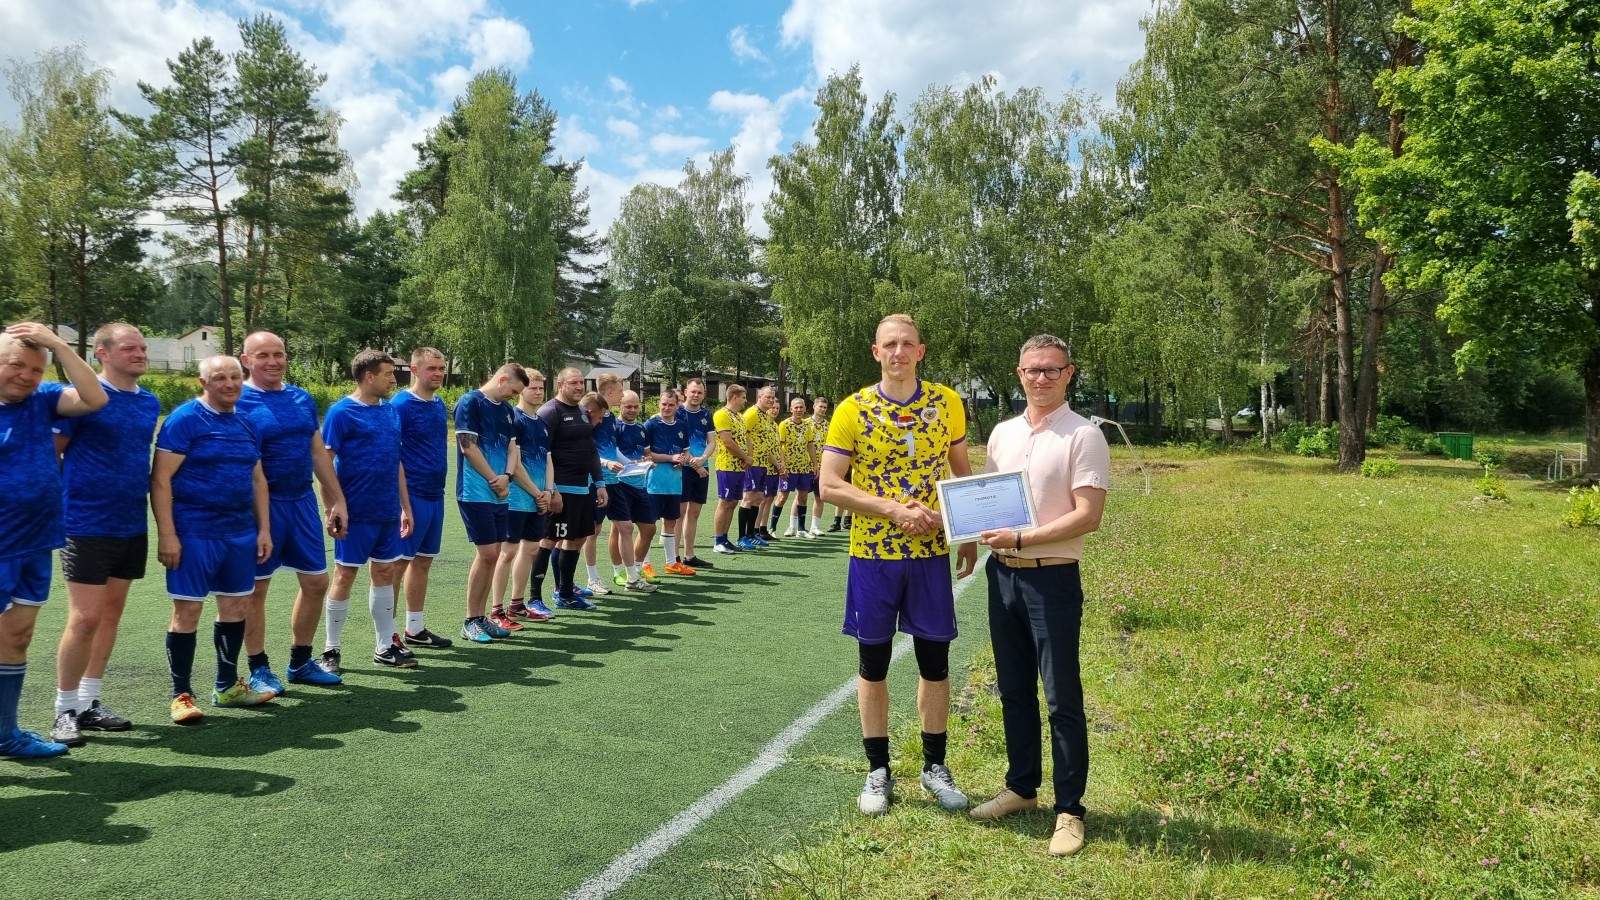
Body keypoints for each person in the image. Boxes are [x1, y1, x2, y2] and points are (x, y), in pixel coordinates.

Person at [818, 313, 977, 816]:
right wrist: (892, 509)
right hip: (873, 555)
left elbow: (961, 473)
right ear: (876, 352)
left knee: (935, 662)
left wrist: (964, 530)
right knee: (874, 663)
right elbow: (829, 485)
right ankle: (877, 770)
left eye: (908, 343)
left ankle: (934, 766)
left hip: (930, 554)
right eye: (890, 344)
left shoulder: (947, 402)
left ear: (921, 351)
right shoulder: (853, 409)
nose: (899, 352)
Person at [966, 334, 1109, 858]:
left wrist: (1023, 539)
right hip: (1002, 576)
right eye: (1033, 370)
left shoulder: (1084, 436)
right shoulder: (1002, 433)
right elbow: (986, 501)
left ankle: (1069, 810)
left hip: (1052, 579)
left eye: (1052, 369)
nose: (1041, 378)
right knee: (1013, 689)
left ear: (1069, 374)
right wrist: (967, 530)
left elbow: (1088, 515)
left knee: (1061, 697)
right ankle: (1022, 787)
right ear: (1019, 373)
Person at [49, 324, 159, 747]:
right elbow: (52, 456)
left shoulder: (148, 402)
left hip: (130, 523)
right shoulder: (80, 399)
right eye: (130, 348)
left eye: (143, 347)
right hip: (85, 523)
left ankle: (89, 703)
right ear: (103, 353)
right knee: (85, 618)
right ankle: (64, 710)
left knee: (110, 615)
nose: (140, 353)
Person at [1, 324, 107, 759]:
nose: (27, 376)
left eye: (36, 369)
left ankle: (5, 735)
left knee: (17, 637)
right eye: (17, 365)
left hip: (35, 541)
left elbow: (95, 398)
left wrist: (59, 346)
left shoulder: (42, 400)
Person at [152, 355, 274, 723]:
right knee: (188, 611)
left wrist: (264, 529)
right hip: (194, 532)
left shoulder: (247, 423)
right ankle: (181, 695)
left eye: (235, 376)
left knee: (236, 607)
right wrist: (167, 534)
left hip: (239, 532)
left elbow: (257, 480)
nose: (230, 384)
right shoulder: (184, 420)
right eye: (220, 377)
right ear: (203, 382)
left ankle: (227, 687)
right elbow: (160, 480)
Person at [235, 331, 348, 693]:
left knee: (316, 583)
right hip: (258, 507)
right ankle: (258, 668)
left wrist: (337, 499)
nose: (273, 361)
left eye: (279, 354)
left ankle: (300, 662)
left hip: (301, 503)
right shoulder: (237, 400)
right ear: (246, 360)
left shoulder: (301, 398)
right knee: (256, 589)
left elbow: (317, 453)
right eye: (263, 355)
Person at [319, 351, 416, 672]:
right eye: (388, 374)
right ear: (368, 376)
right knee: (345, 574)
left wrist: (405, 507)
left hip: (387, 511)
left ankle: (385, 647)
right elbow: (324, 466)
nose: (394, 380)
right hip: (355, 513)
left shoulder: (390, 411)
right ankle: (331, 650)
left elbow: (396, 462)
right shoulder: (341, 412)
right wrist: (332, 508)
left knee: (385, 573)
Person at [454, 363, 528, 642]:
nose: (513, 396)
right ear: (502, 378)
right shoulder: (470, 402)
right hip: (475, 491)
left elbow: (512, 448)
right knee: (486, 554)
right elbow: (467, 446)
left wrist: (506, 477)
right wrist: (494, 479)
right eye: (513, 390)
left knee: (494, 555)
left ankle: (480, 617)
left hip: (500, 491)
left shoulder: (507, 410)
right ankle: (469, 621)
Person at [392, 348, 455, 650]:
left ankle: (414, 628)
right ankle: (388, 635)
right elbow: (391, 453)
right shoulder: (400, 404)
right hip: (411, 495)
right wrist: (402, 503)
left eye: (441, 368)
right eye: (432, 368)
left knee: (423, 562)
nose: (438, 374)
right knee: (397, 565)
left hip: (435, 493)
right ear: (414, 370)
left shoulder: (439, 403)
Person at [538, 367, 608, 610]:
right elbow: (541, 454)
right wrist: (553, 489)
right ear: (560, 384)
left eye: (581, 382)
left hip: (582, 489)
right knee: (549, 540)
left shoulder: (582, 412)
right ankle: (535, 598)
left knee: (577, 539)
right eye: (573, 383)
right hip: (560, 490)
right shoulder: (549, 412)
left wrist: (600, 483)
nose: (579, 387)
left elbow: (591, 450)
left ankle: (566, 593)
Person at [497, 368, 558, 622]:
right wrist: (537, 493)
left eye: (541, 388)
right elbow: (516, 463)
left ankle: (517, 604)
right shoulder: (514, 418)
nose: (538, 392)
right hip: (517, 498)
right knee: (507, 552)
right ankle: (496, 610)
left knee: (531, 548)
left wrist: (549, 491)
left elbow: (548, 460)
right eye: (533, 387)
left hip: (538, 498)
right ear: (521, 389)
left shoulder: (542, 423)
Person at [607, 390, 659, 593]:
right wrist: (631, 463)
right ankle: (618, 571)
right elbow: (611, 452)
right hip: (620, 483)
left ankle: (636, 570)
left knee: (649, 528)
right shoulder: (613, 426)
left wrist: (647, 461)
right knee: (619, 529)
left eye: (636, 406)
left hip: (640, 484)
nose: (632, 410)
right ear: (620, 405)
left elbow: (646, 453)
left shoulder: (641, 428)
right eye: (628, 406)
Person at [643, 388, 694, 577]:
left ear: (677, 406)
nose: (666, 407)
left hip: (674, 483)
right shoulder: (650, 424)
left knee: (671, 522)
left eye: (671, 405)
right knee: (648, 525)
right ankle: (644, 564)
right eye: (664, 404)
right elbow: (646, 454)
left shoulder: (681, 425)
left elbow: (686, 451)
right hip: (654, 483)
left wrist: (683, 459)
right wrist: (670, 458)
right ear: (659, 403)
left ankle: (671, 563)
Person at [587, 373, 626, 593]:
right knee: (593, 530)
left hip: (613, 480)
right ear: (610, 392)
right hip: (595, 480)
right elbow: (587, 448)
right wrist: (605, 463)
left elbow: (613, 447)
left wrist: (631, 463)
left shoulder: (610, 417)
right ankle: (592, 578)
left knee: (625, 526)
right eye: (620, 391)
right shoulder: (591, 415)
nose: (622, 395)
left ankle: (629, 574)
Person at [675, 377, 716, 568]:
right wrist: (695, 463)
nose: (696, 395)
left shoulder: (706, 414)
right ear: (685, 392)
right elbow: (679, 443)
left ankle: (689, 555)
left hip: (702, 467)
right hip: (683, 468)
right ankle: (673, 556)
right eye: (693, 391)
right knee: (679, 513)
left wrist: (703, 459)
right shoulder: (677, 412)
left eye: (699, 392)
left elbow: (712, 442)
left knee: (695, 513)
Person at [710, 384, 753, 555]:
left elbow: (747, 438)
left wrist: (749, 457)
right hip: (726, 465)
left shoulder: (740, 417)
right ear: (734, 397)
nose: (745, 400)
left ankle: (725, 538)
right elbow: (727, 441)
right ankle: (718, 540)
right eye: (743, 397)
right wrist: (745, 458)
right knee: (725, 502)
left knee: (733, 502)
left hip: (740, 467)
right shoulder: (721, 415)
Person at [743, 386, 784, 545]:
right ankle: (743, 536)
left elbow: (767, 445)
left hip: (764, 464)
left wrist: (778, 464)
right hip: (752, 464)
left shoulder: (765, 417)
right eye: (768, 397)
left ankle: (753, 533)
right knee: (749, 498)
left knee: (759, 498)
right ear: (759, 397)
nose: (771, 400)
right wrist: (747, 457)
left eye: (773, 398)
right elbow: (742, 434)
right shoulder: (752, 413)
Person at [774, 395, 819, 539]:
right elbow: (780, 446)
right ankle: (772, 528)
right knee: (782, 497)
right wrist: (782, 464)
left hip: (804, 467)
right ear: (791, 409)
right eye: (796, 407)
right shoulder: (784, 425)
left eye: (801, 407)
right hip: (789, 468)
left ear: (805, 409)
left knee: (803, 497)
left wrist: (815, 464)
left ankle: (801, 529)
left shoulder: (807, 425)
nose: (799, 410)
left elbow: (810, 446)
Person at [806, 396, 831, 536]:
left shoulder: (828, 425)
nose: (822, 409)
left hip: (822, 466)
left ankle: (814, 526)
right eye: (820, 406)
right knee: (801, 495)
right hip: (806, 465)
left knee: (819, 496)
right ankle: (794, 526)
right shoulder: (806, 423)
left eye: (825, 407)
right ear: (814, 406)